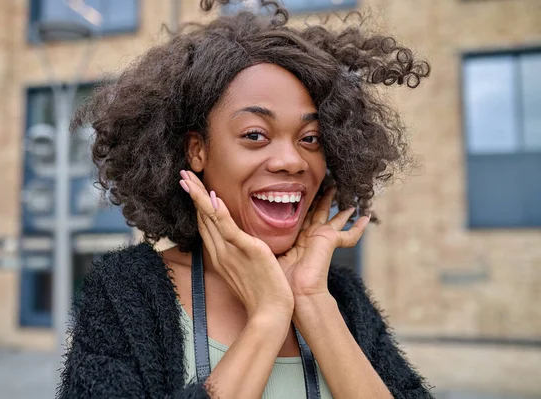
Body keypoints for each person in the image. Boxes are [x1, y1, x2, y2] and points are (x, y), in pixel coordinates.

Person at [57, 0, 433, 398]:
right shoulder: (126, 292)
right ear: (196, 151)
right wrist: (268, 317)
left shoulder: (339, 295)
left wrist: (311, 300)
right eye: (255, 135)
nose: (292, 160)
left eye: (311, 139)